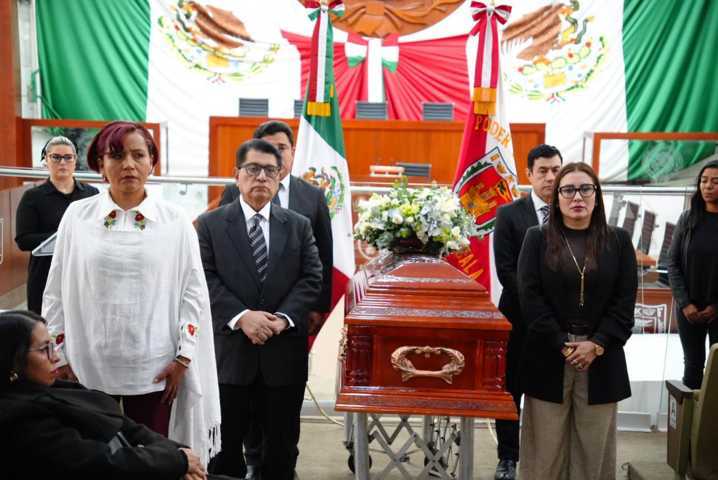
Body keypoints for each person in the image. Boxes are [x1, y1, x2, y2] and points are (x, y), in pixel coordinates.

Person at [42, 121, 221, 465]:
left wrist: (184, 357)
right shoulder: (78, 216)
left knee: (154, 459)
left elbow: (193, 291)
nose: (128, 165)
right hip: (87, 363)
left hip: (154, 365)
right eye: (117, 156)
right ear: (100, 163)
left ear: (152, 162)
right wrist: (59, 354)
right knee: (93, 459)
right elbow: (55, 292)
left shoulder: (174, 220)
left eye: (139, 155)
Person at [197, 139, 322, 480]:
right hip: (230, 357)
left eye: (270, 170)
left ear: (280, 177)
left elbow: (312, 278)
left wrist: (282, 319)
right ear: (236, 174)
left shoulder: (298, 225)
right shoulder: (210, 225)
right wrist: (242, 318)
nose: (262, 177)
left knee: (281, 453)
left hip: (283, 357)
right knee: (223, 453)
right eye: (253, 169)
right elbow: (203, 278)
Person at [517, 162, 637, 480]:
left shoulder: (618, 241)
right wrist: (561, 343)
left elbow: (624, 303)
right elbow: (529, 299)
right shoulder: (537, 238)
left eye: (585, 189)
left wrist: (597, 344)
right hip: (548, 353)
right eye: (568, 190)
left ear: (597, 195)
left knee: (593, 451)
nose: (577, 197)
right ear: (556, 198)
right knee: (544, 451)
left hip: (602, 356)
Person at [0, 310, 207, 480]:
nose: (55, 357)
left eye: (53, 346)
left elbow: (128, 427)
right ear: (13, 359)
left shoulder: (55, 387)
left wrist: (179, 454)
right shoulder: (19, 417)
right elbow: (103, 463)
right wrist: (176, 461)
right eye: (44, 349)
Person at [492, 144, 562, 480]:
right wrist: (539, 305)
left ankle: (549, 459)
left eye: (556, 170)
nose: (550, 177)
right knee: (511, 389)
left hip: (561, 320)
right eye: (543, 171)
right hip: (518, 318)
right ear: (529, 175)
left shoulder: (574, 211)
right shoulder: (509, 214)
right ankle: (508, 457)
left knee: (551, 390)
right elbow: (505, 271)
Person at [14, 136, 98, 314]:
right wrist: (64, 237)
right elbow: (23, 240)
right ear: (46, 160)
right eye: (56, 157)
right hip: (45, 274)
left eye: (68, 157)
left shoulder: (91, 194)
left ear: (75, 161)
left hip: (83, 273)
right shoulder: (32, 197)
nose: (63, 162)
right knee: (45, 324)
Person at [667, 160, 718, 389]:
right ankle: (690, 413)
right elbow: (672, 262)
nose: (708, 186)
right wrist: (685, 303)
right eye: (704, 181)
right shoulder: (687, 219)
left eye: (715, 182)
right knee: (693, 365)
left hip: (716, 308)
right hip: (689, 309)